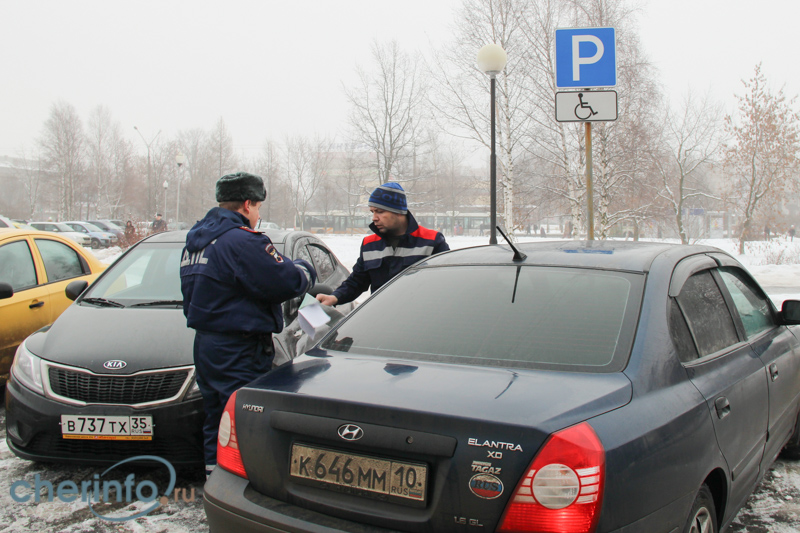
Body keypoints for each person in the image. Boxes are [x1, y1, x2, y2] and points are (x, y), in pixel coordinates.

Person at [180, 172, 317, 478]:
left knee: (217, 419)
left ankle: (215, 480)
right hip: (239, 348)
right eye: (257, 207)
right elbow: (285, 280)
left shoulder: (196, 241)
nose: (257, 215)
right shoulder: (243, 241)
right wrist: (306, 271)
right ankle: (244, 489)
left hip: (206, 345)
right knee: (246, 418)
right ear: (246, 205)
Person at [316, 182, 449, 307]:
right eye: (372, 212)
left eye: (380, 211)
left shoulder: (432, 241)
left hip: (418, 321)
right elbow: (357, 281)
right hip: (381, 321)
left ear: (399, 212)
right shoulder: (369, 244)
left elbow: (446, 283)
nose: (374, 218)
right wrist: (334, 297)